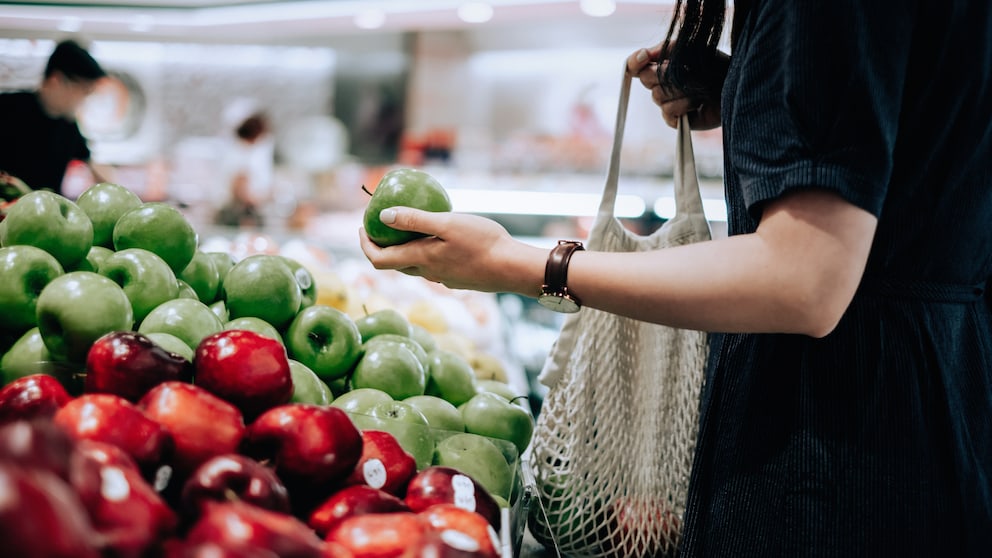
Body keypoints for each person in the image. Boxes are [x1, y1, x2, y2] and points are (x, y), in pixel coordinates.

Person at [361, 1, 992, 556]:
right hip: (929, 406)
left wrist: (521, 265)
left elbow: (804, 278)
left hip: (839, 443)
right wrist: (754, 88)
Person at [0, 39, 109, 195]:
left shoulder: (68, 125)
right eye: (83, 90)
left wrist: (123, 194)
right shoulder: (8, 108)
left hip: (48, 214)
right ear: (56, 80)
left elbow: (91, 163)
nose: (84, 100)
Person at [214, 111, 274, 228]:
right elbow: (240, 188)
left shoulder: (234, 150)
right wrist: (257, 199)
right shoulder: (243, 154)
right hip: (240, 213)